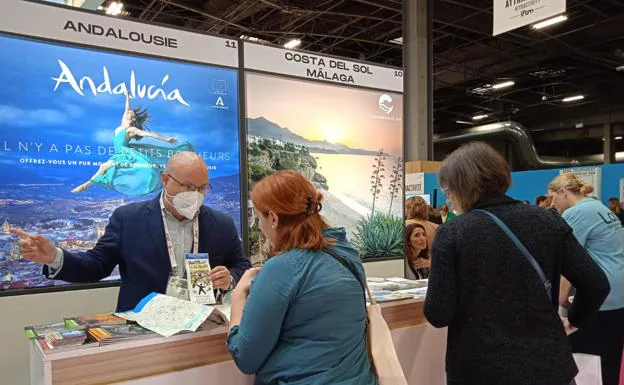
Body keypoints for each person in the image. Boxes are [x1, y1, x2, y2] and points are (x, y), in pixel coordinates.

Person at [424, 142, 610, 385]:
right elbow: (596, 283)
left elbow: (438, 314)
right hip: (548, 367)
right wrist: (575, 320)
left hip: (479, 370)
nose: (448, 199)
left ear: (462, 186)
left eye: (448, 191)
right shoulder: (548, 221)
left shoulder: (454, 232)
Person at [11, 152, 251, 312]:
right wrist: (54, 256)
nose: (195, 194)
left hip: (201, 325)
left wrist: (230, 278)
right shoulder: (128, 219)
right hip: (143, 327)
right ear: (166, 179)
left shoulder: (221, 223)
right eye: (188, 187)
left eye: (202, 188)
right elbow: (96, 265)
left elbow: (241, 265)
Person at [227, 170, 376, 385]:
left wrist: (239, 295)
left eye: (258, 216)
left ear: (274, 219)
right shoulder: (347, 253)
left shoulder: (282, 268)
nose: (258, 225)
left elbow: (245, 357)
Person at [549, 174, 624, 385]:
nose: (552, 204)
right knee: (609, 358)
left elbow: (568, 263)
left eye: (553, 197)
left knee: (585, 362)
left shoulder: (576, 213)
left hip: (598, 298)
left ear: (564, 192)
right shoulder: (599, 207)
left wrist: (562, 301)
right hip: (618, 294)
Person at [71, 91, 194, 195]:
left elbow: (149, 134)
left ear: (132, 118)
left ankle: (86, 185)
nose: (128, 112)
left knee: (104, 166)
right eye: (128, 112)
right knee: (105, 167)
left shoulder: (130, 130)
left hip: (126, 154)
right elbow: (126, 108)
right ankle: (87, 185)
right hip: (119, 153)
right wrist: (127, 96)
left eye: (130, 113)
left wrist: (165, 139)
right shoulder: (123, 122)